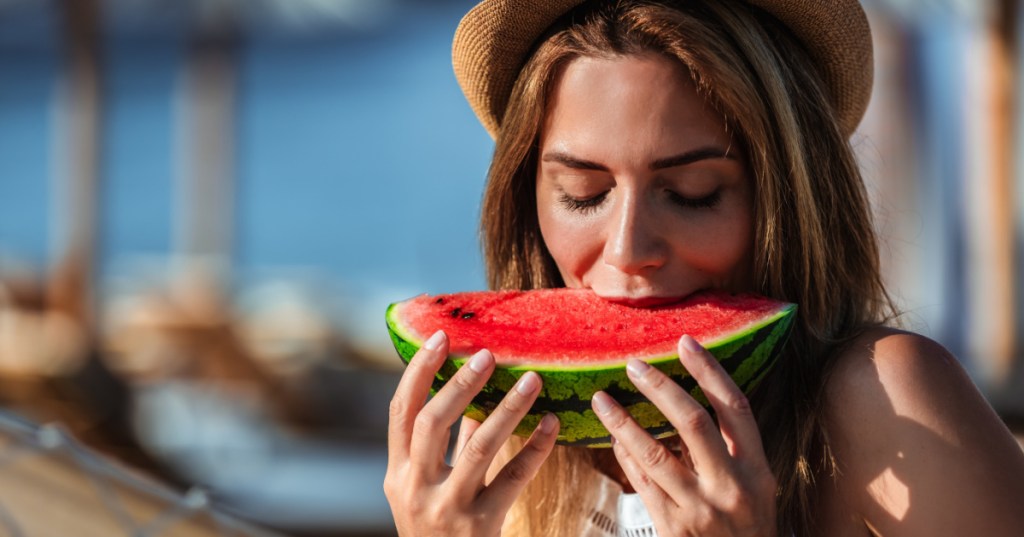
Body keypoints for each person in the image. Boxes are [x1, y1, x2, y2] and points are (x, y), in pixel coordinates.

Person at [383, 0, 1024, 535]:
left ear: (790, 198)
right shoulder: (501, 461)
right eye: (582, 193)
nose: (629, 248)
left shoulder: (888, 402)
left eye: (694, 192)